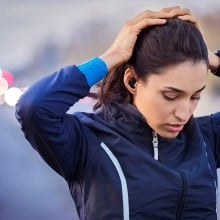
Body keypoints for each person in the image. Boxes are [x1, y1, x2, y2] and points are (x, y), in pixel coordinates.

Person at [15, 6, 220, 220]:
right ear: (132, 80)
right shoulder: (90, 142)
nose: (184, 113)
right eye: (170, 95)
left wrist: (212, 60)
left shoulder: (206, 138)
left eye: (195, 96)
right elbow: (34, 106)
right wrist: (112, 56)